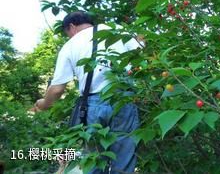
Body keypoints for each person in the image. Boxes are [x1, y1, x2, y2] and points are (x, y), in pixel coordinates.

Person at [31, 11, 143, 173]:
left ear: (71, 27)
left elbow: (56, 90)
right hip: (123, 100)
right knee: (124, 158)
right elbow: (142, 50)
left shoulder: (70, 45)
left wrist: (43, 104)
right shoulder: (117, 30)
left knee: (93, 159)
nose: (69, 37)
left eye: (67, 33)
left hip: (92, 105)